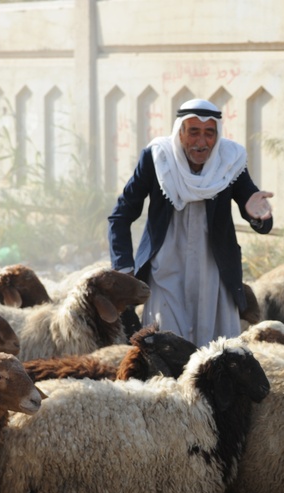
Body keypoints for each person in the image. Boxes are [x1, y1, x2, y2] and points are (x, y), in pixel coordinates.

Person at [108, 98, 273, 346]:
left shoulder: (230, 161)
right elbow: (120, 216)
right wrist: (123, 268)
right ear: (179, 133)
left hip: (214, 275)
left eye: (209, 133)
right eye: (194, 132)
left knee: (218, 352)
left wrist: (258, 216)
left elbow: (255, 207)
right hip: (165, 272)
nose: (201, 142)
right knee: (165, 346)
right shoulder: (158, 158)